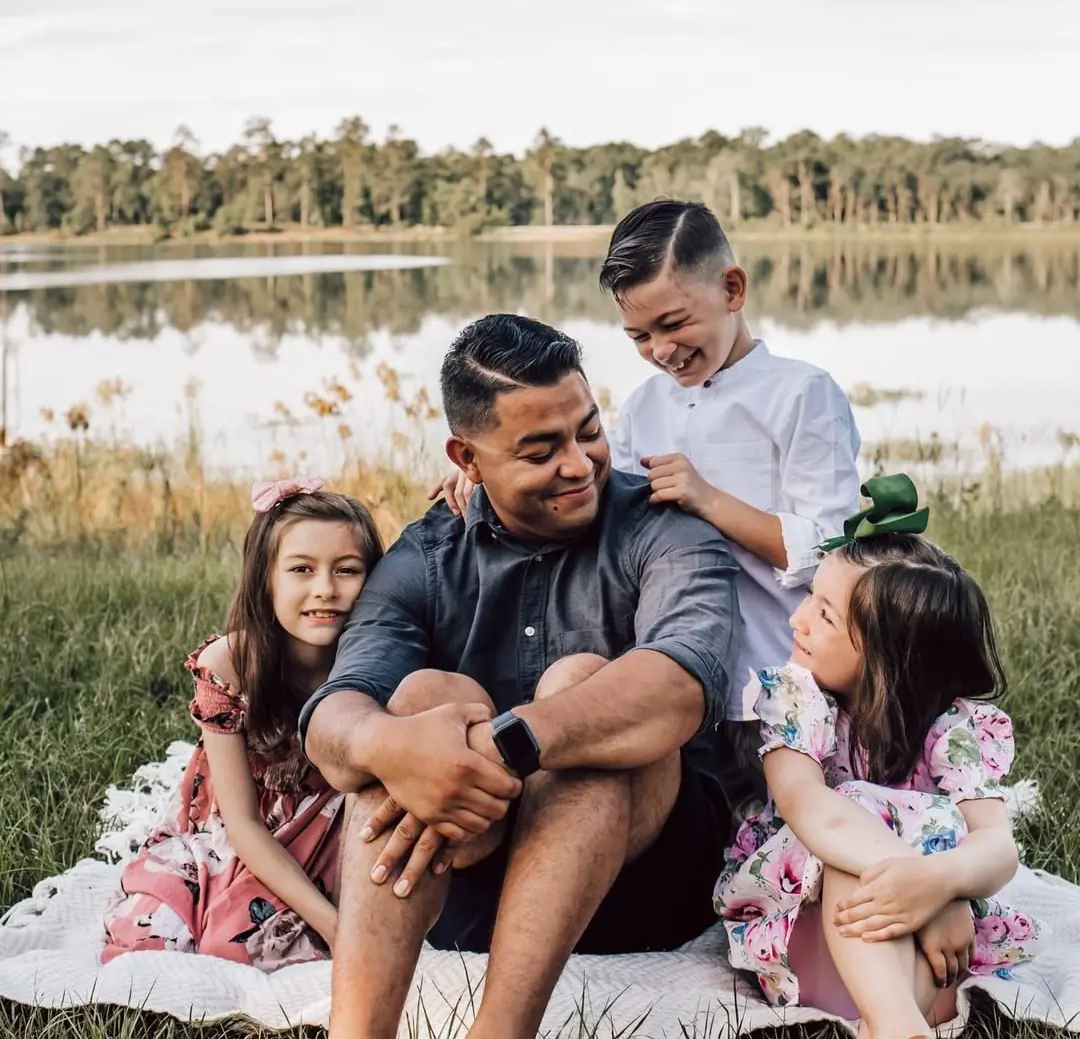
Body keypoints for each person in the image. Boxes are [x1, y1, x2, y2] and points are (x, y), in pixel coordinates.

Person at [301, 313, 741, 1039]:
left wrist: (507, 746)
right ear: (466, 460)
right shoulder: (426, 555)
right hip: (465, 878)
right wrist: (395, 748)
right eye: (540, 450)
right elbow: (333, 716)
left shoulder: (668, 528)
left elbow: (680, 684)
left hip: (652, 881)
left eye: (588, 431)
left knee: (581, 693)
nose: (579, 464)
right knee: (417, 706)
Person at [433, 199, 861, 817]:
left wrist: (710, 501)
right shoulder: (641, 408)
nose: (661, 349)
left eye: (675, 323)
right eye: (639, 336)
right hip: (670, 673)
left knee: (793, 825)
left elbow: (833, 548)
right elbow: (601, 506)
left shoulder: (800, 394)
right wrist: (488, 472)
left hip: (780, 670)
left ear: (732, 289)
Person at [713, 474, 1041, 1039]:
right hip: (812, 938)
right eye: (808, 599)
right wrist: (921, 884)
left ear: (891, 660)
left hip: (925, 960)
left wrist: (940, 885)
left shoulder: (952, 728)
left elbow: (997, 846)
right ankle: (893, 1024)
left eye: (825, 614)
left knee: (921, 825)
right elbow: (809, 807)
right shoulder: (796, 700)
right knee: (851, 823)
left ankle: (894, 1023)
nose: (797, 620)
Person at [101, 479, 385, 972]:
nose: (326, 589)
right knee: (147, 939)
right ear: (265, 580)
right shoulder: (231, 664)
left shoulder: (373, 663)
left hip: (331, 833)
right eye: (301, 569)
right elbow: (242, 822)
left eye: (348, 570)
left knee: (239, 946)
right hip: (239, 833)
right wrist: (334, 926)